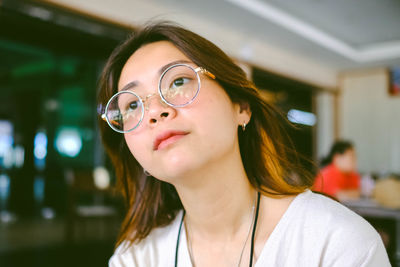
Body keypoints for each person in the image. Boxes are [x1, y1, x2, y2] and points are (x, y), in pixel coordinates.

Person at [97, 22, 390, 267]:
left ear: (241, 107)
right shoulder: (135, 259)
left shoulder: (335, 244)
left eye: (177, 82)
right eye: (132, 105)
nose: (154, 112)